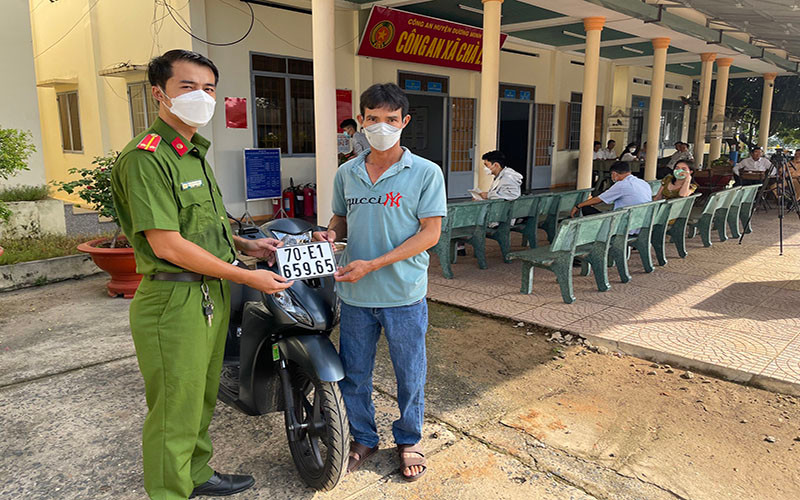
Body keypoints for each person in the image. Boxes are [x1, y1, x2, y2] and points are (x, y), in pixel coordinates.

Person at [111, 49, 293, 500]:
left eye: (209, 89)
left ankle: (195, 474)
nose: (202, 97)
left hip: (208, 295)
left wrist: (246, 246)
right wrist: (248, 278)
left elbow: (204, 229)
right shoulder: (147, 158)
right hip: (173, 302)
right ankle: (170, 491)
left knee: (201, 396)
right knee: (175, 408)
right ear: (160, 94)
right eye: (187, 87)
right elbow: (167, 244)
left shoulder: (192, 154)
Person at [314, 83, 446, 482]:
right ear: (361, 123)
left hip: (403, 294)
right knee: (354, 373)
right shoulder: (347, 172)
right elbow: (340, 218)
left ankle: (409, 439)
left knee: (410, 373)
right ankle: (364, 437)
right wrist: (330, 233)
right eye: (373, 119)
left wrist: (373, 264)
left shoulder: (425, 172)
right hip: (354, 294)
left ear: (404, 122)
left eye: (391, 119)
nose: (381, 126)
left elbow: (430, 234)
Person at [570, 161, 652, 216]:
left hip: (625, 223)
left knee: (586, 208)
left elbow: (598, 200)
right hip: (641, 221)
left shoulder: (622, 184)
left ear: (614, 174)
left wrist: (578, 206)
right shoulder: (643, 182)